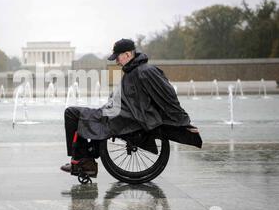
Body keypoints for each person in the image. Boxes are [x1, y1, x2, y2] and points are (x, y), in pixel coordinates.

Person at [60, 38, 202, 177]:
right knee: (76, 113)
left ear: (128, 55)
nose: (116, 61)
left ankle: (84, 162)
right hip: (118, 114)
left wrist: (183, 121)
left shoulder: (145, 71)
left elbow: (168, 96)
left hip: (127, 118)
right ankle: (84, 161)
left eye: (118, 57)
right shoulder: (133, 71)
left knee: (71, 113)